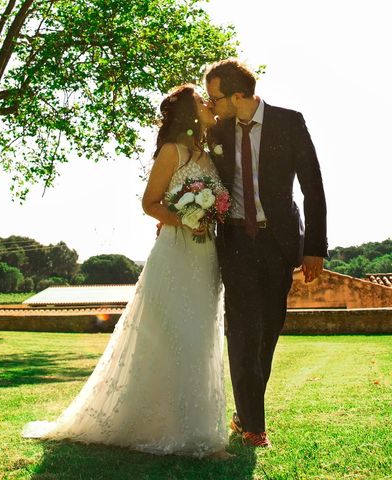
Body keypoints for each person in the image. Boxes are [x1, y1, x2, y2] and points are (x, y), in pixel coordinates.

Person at [22, 84, 232, 460]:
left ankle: (192, 427)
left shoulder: (209, 154)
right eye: (202, 100)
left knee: (200, 338)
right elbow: (149, 203)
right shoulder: (172, 152)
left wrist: (209, 214)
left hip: (206, 259)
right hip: (175, 255)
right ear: (188, 111)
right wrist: (185, 219)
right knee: (174, 336)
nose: (208, 104)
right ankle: (189, 435)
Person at [204, 59, 327, 447]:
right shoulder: (216, 130)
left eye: (216, 98)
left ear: (239, 95)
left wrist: (315, 248)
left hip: (279, 245)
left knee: (266, 335)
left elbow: (313, 188)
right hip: (236, 243)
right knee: (241, 333)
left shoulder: (290, 122)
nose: (212, 106)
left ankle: (245, 413)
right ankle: (255, 428)